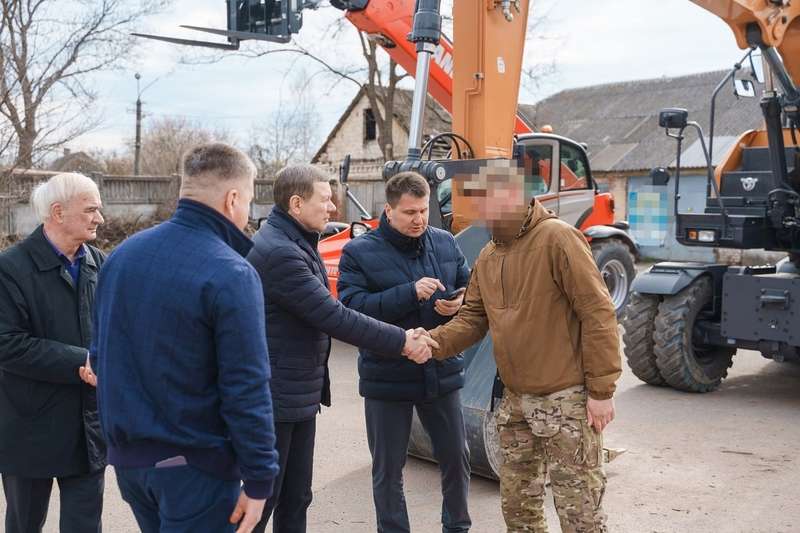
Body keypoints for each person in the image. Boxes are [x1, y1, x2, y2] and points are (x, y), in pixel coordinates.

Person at [423, 160, 622, 532]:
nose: (479, 214)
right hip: (515, 403)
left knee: (580, 515)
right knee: (519, 510)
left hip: (566, 404)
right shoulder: (489, 255)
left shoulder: (558, 239)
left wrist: (601, 390)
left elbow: (598, 314)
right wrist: (431, 342)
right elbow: (472, 320)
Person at [90, 143, 279, 533]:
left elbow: (101, 354)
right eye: (247, 200)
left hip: (131, 464)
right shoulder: (231, 272)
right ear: (232, 199)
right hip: (195, 469)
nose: (248, 212)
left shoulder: (122, 256)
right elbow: (246, 385)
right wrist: (261, 478)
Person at [246, 164, 437, 533]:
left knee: (296, 496)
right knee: (264, 498)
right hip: (277, 396)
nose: (333, 207)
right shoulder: (280, 253)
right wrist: (402, 341)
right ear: (297, 203)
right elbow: (333, 315)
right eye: (325, 199)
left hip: (296, 392)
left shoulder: (296, 240)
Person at [337, 172, 472, 533]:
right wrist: (409, 292)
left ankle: (457, 527)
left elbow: (469, 285)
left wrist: (458, 303)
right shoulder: (359, 252)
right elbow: (350, 310)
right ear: (389, 210)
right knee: (388, 470)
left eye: (424, 210)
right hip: (388, 375)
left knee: (457, 460)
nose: (419, 219)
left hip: (440, 369)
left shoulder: (444, 242)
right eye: (410, 212)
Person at [0, 172, 106, 533]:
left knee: (85, 526)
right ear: (58, 212)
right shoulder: (10, 268)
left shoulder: (98, 263)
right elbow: (7, 343)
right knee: (24, 524)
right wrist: (83, 360)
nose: (99, 218)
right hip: (28, 427)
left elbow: (113, 329)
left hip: (87, 426)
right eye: (91, 209)